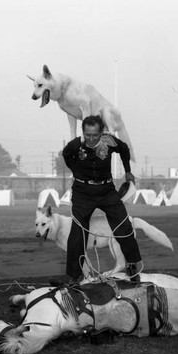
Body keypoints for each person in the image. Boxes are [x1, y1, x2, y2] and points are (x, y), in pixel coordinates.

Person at [62, 115, 142, 283]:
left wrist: (127, 171)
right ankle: (74, 275)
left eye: (95, 135)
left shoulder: (110, 141)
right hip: (83, 192)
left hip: (106, 190)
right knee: (78, 232)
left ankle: (132, 264)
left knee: (123, 225)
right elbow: (66, 154)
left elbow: (124, 148)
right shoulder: (76, 145)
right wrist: (76, 172)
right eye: (87, 135)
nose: (91, 139)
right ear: (83, 132)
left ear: (101, 133)